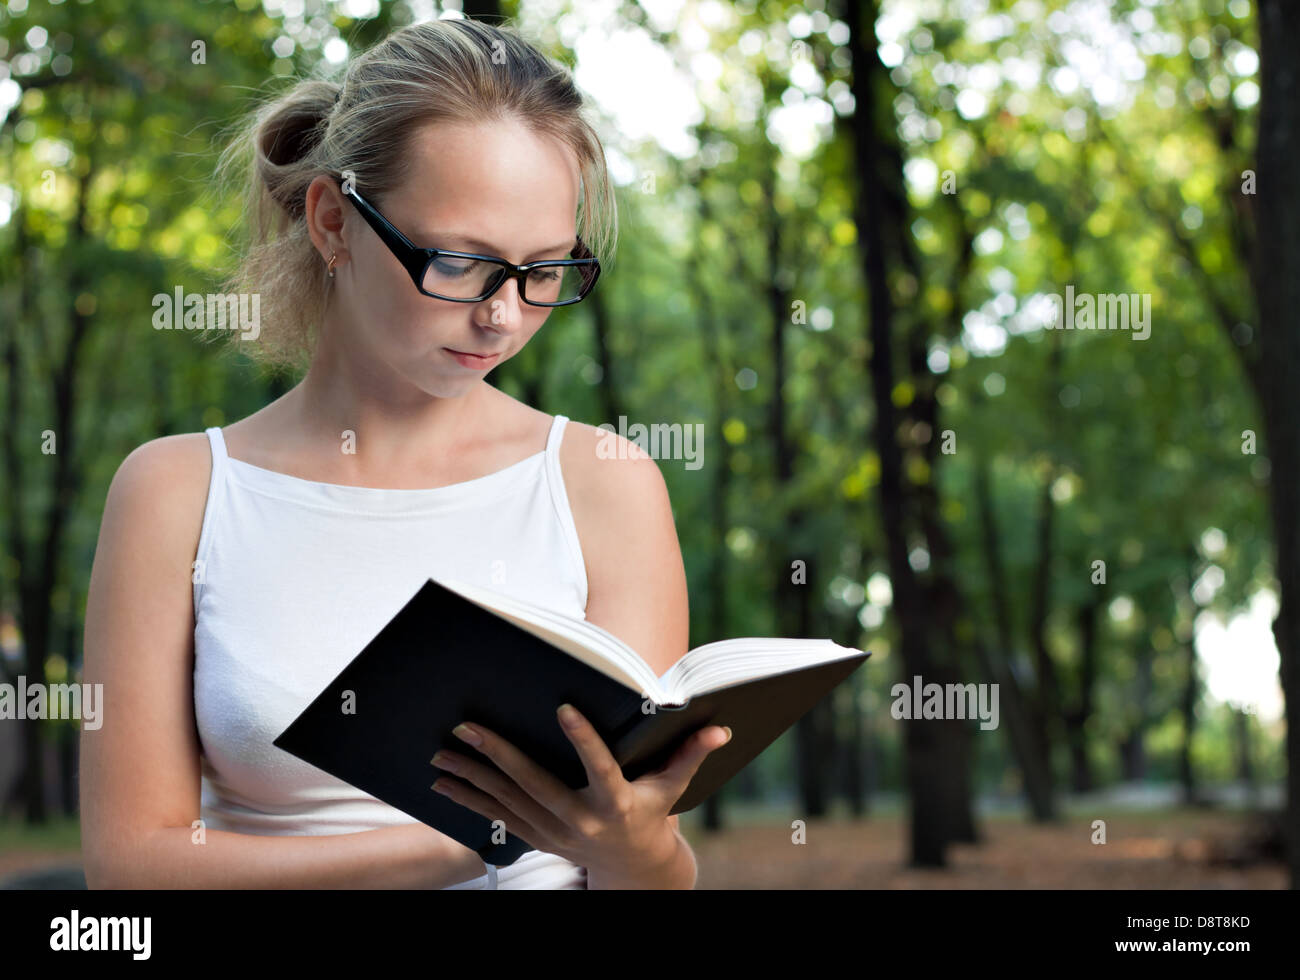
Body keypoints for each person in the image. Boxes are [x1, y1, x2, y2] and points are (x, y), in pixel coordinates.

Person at [79, 17, 730, 890]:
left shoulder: (603, 484)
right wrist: (477, 839)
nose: (504, 315)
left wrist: (636, 849)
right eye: (461, 262)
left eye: (544, 270)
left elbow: (641, 869)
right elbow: (133, 867)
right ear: (333, 223)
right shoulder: (178, 491)